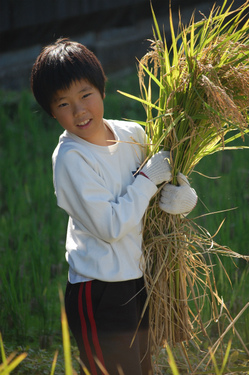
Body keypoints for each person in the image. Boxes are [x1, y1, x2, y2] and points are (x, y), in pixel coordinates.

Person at [31, 38, 197, 375]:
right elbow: (110, 227)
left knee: (141, 369)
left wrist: (182, 198)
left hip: (138, 281)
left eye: (85, 95)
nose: (79, 111)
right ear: (51, 111)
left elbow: (159, 191)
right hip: (98, 291)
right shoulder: (71, 160)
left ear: (102, 89)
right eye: (63, 104)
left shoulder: (133, 135)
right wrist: (148, 180)